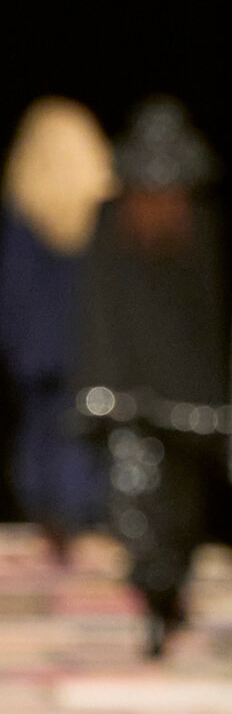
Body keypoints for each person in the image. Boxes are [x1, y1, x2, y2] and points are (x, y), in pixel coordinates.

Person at [75, 97, 229, 656]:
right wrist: (100, 385)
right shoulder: (111, 225)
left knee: (183, 514)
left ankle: (169, 596)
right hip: (130, 396)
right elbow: (97, 309)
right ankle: (153, 600)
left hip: (193, 397)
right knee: (137, 507)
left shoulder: (203, 230)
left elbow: (213, 317)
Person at [0, 97, 117, 558]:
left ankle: (58, 537)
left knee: (49, 436)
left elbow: (7, 297)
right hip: (92, 357)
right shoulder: (107, 218)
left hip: (41, 356)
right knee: (87, 441)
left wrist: (15, 345)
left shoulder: (26, 215)